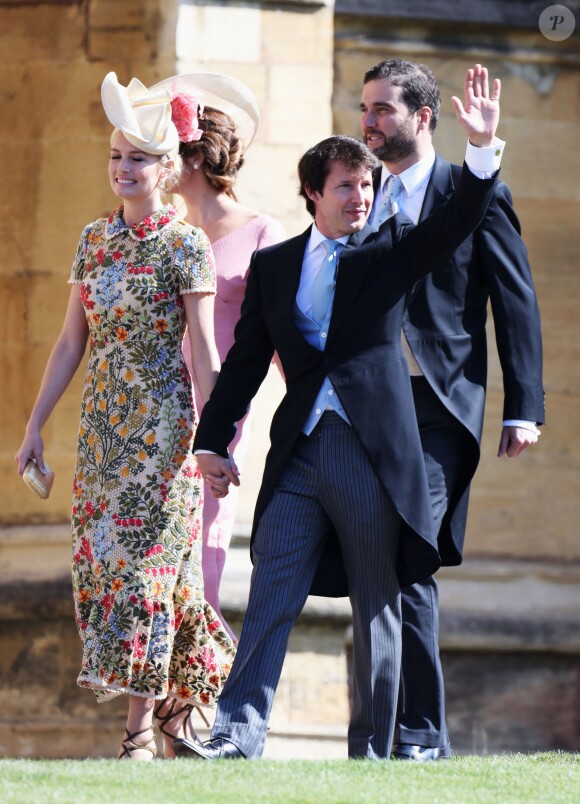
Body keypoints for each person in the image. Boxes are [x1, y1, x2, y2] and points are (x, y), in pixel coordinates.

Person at [172, 64, 504, 761]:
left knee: (379, 604)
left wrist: (480, 151)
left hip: (369, 455)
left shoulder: (388, 256)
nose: (362, 196)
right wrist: (213, 440)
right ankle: (238, 734)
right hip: (299, 452)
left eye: (367, 185)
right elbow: (242, 362)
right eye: (347, 186)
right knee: (271, 591)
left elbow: (456, 222)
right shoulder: (277, 267)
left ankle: (375, 752)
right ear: (313, 194)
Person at [15, 72, 236, 760]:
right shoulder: (92, 240)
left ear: (168, 168)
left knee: (147, 577)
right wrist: (33, 427)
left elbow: (202, 351)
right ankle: (175, 705)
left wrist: (215, 438)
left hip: (165, 438)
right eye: (115, 156)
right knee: (107, 573)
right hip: (103, 436)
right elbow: (68, 342)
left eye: (138, 157)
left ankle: (137, 732)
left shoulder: (185, 243)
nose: (123, 168)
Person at [359, 59, 544, 760]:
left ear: (423, 117)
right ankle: (378, 734)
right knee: (375, 559)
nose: (370, 121)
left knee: (410, 553)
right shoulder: (359, 192)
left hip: (440, 405)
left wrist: (523, 405)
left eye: (383, 109)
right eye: (366, 108)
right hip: (369, 404)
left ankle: (420, 736)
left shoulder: (473, 193)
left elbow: (515, 297)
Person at [148, 73, 286, 641]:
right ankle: (162, 698)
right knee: (153, 553)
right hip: (154, 409)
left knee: (203, 545)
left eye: (163, 150)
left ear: (192, 159)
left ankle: (195, 694)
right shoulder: (166, 233)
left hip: (218, 410)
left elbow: (283, 336)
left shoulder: (259, 230)